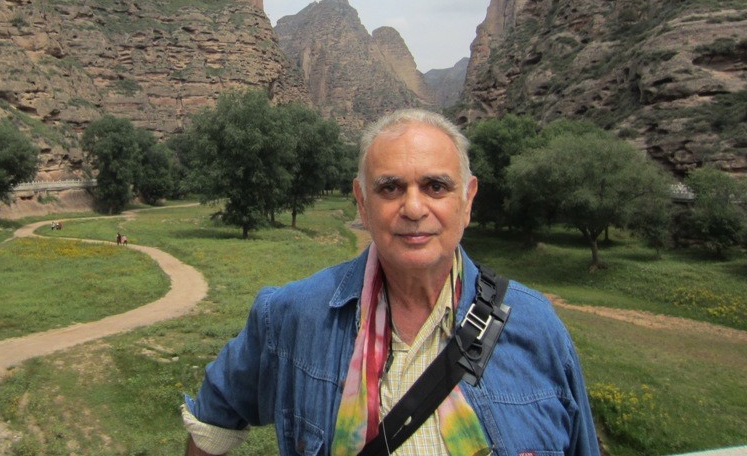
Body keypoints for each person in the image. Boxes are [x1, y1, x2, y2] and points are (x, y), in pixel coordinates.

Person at [182, 108, 600, 456]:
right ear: (363, 204)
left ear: (468, 200)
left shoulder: (536, 327)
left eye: (436, 186)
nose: (414, 208)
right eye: (390, 188)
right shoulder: (290, 316)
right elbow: (209, 421)